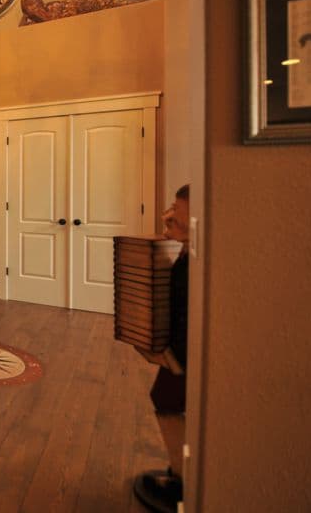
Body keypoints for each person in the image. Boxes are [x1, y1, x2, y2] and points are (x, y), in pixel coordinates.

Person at [134, 184, 189, 513]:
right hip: (180, 350)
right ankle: (181, 472)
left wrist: (176, 356)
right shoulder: (187, 251)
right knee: (167, 400)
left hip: (185, 354)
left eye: (176, 209)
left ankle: (184, 478)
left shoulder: (196, 259)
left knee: (167, 400)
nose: (169, 214)